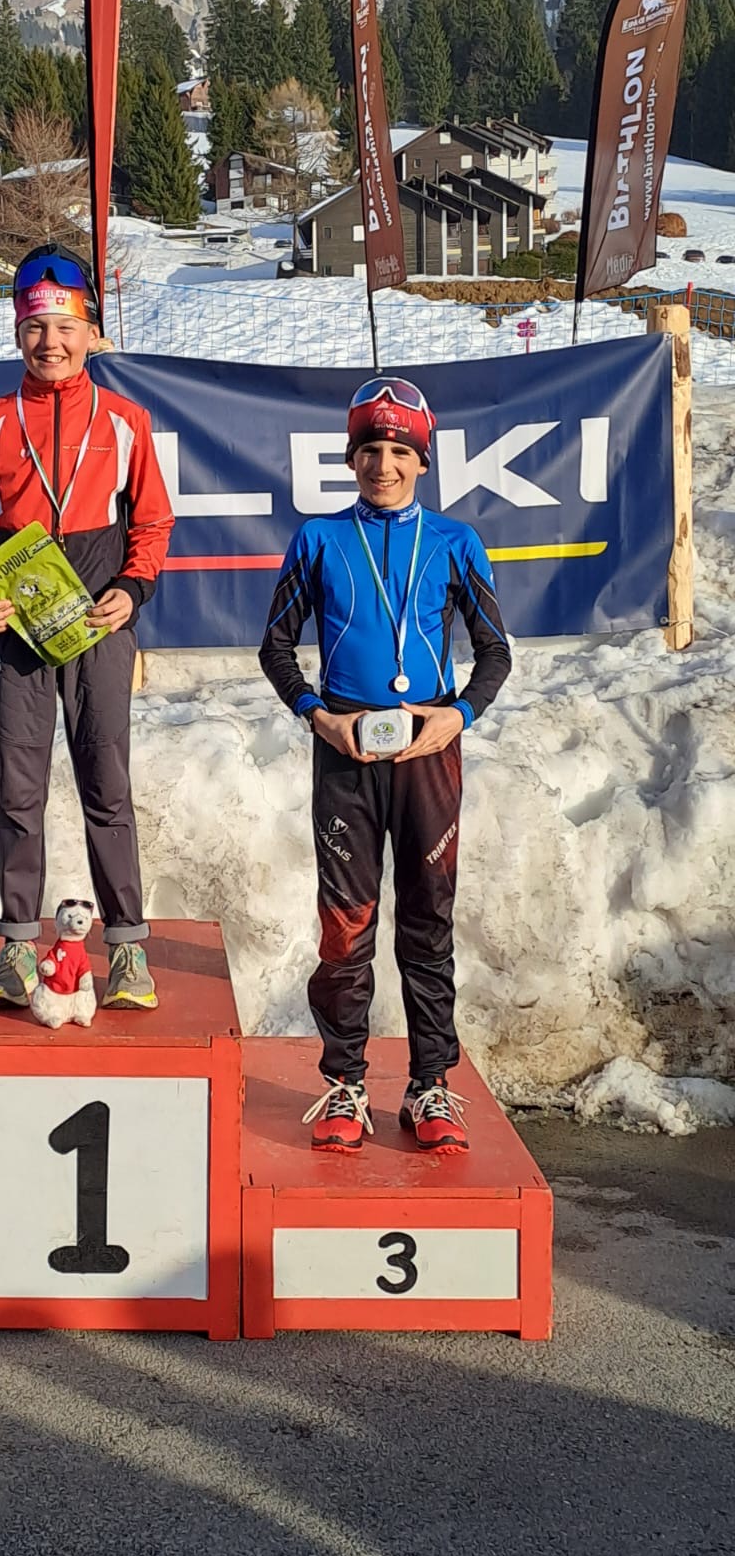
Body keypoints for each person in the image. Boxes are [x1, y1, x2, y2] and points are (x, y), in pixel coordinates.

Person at [259, 377, 511, 1154]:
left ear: (422, 462)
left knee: (429, 920)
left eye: (400, 451)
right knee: (347, 926)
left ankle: (431, 1084)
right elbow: (275, 647)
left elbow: (495, 654)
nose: (384, 465)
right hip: (346, 754)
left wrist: (457, 715)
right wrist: (319, 716)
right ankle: (344, 1083)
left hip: (430, 753)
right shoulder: (319, 540)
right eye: (370, 449)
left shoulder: (456, 543)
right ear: (351, 459)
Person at [0, 244, 174, 1011]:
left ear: (91, 332)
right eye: (36, 327)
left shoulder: (127, 421)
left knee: (107, 784)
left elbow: (154, 522)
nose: (51, 342)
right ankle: (15, 946)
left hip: (99, 624)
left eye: (66, 326)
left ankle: (127, 948)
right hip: (15, 632)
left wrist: (132, 590)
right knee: (19, 790)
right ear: (17, 333)